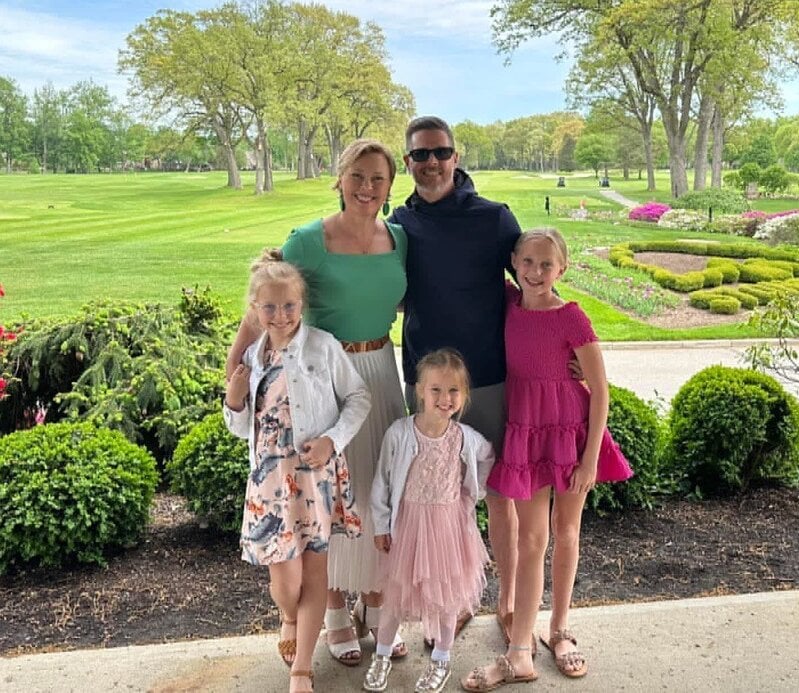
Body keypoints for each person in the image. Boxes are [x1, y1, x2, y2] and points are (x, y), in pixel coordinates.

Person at [226, 138, 409, 665]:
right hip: (322, 383)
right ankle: (331, 609)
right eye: (357, 176)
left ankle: (375, 600)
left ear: (390, 185)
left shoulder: (398, 239)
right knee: (323, 498)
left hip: (379, 372)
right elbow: (265, 303)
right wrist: (236, 377)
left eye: (377, 178)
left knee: (375, 493)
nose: (367, 187)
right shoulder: (308, 241)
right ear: (340, 179)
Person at [461, 229, 633, 691]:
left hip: (571, 435)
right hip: (526, 434)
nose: (536, 273)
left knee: (566, 531)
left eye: (546, 265)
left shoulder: (571, 317)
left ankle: (559, 630)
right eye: (528, 262)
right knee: (531, 539)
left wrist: (590, 459)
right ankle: (520, 651)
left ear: (562, 269)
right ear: (514, 262)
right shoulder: (508, 303)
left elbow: (600, 390)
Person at [389, 116, 521, 644]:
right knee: (441, 498)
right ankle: (455, 602)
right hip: (425, 383)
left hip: (487, 376)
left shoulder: (494, 219)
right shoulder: (399, 224)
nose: (432, 163)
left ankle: (509, 602)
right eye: (421, 155)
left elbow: (535, 281)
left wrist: (569, 348)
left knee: (499, 494)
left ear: (456, 157)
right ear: (408, 162)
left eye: (441, 152)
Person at [223, 259, 370, 693]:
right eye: (270, 307)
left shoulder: (322, 347)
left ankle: (302, 668)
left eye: (289, 305)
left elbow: (358, 397)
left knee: (315, 570)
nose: (281, 315)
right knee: (285, 582)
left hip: (314, 477)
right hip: (270, 485)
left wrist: (332, 441)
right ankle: (289, 615)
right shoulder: (252, 357)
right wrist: (234, 400)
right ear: (255, 309)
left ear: (302, 303)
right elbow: (241, 428)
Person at [366, 349, 494, 693]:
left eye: (454, 391)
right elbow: (382, 482)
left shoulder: (464, 437)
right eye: (436, 389)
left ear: (464, 395)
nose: (444, 398)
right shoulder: (399, 433)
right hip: (408, 525)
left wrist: (472, 493)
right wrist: (381, 525)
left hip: (449, 528)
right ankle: (381, 654)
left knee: (446, 597)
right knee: (396, 595)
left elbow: (487, 456)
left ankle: (441, 658)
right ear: (420, 391)